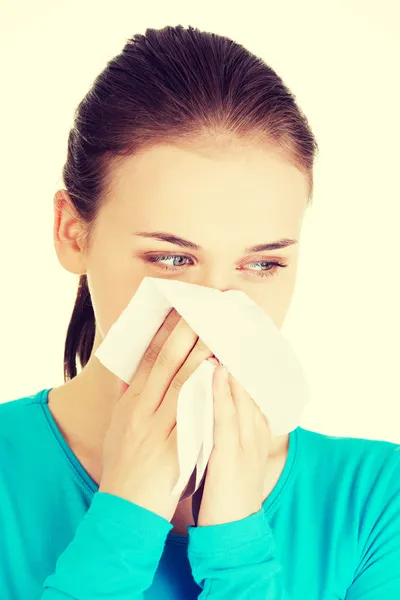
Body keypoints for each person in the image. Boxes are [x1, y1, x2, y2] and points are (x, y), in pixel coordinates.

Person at [0, 24, 399, 600]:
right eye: (171, 258)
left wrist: (237, 543)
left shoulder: (376, 501)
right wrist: (123, 523)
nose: (215, 309)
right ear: (72, 233)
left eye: (262, 265)